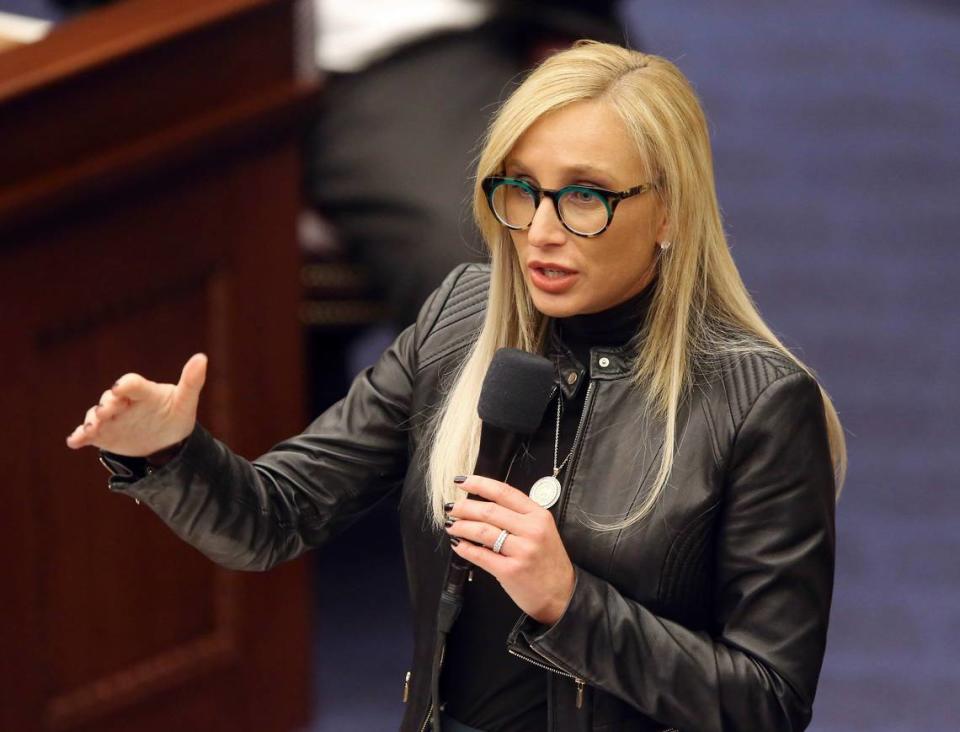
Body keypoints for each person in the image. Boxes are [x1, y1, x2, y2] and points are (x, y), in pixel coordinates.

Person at [66, 42, 845, 732]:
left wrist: (571, 605)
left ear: (669, 211)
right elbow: (273, 519)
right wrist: (169, 456)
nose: (540, 230)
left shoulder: (759, 404)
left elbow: (767, 702)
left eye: (585, 197)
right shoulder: (463, 318)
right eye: (522, 189)